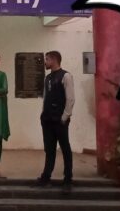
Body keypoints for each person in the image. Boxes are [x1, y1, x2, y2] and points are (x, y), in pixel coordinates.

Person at [35, 51, 75, 195]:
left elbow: (70, 99)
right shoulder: (48, 78)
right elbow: (46, 98)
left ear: (53, 60)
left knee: (65, 149)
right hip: (47, 120)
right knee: (49, 149)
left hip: (59, 120)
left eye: (47, 59)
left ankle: (68, 179)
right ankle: (46, 177)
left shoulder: (66, 76)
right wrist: (43, 115)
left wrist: (64, 117)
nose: (45, 62)